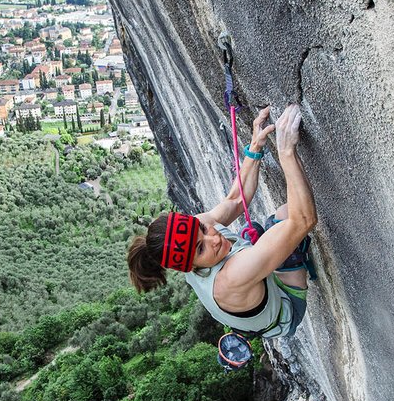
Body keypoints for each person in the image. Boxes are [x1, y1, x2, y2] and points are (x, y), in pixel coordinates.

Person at [126, 104, 316, 339]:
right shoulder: (232, 278)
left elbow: (236, 201)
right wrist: (286, 151)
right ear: (191, 266)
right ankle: (289, 259)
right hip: (286, 310)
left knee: (259, 232)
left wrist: (256, 145)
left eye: (203, 229)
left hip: (253, 285)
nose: (214, 237)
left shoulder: (193, 237)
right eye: (201, 248)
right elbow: (303, 220)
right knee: (285, 215)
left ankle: (266, 253)